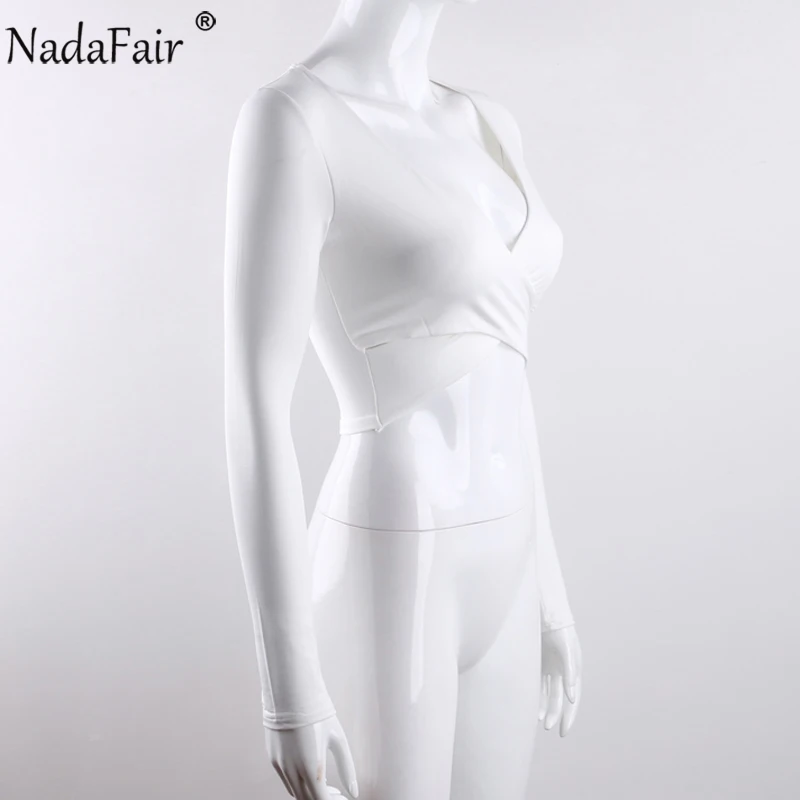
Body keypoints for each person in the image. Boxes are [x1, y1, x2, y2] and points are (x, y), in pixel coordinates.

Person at [223, 2, 583, 797]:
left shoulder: (486, 121)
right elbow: (254, 407)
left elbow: (508, 362)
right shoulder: (293, 120)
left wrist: (549, 592)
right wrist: (288, 691)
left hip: (512, 554)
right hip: (394, 554)